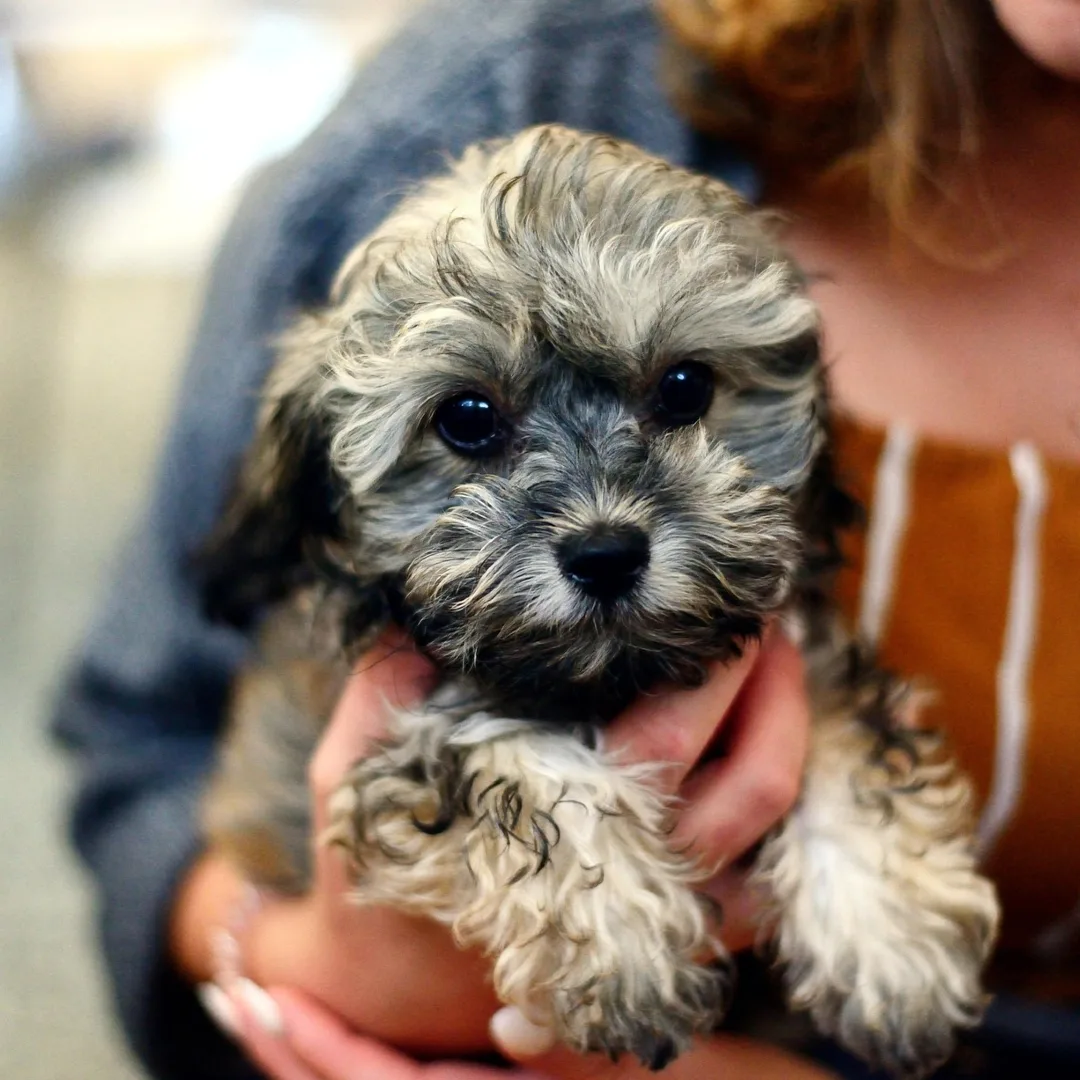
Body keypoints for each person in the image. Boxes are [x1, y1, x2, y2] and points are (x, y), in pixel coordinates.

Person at [52, 1, 1080, 1078]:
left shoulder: (784, 576)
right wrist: (281, 958)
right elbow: (143, 746)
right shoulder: (478, 88)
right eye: (472, 426)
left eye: (678, 396)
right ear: (321, 473)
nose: (600, 520)